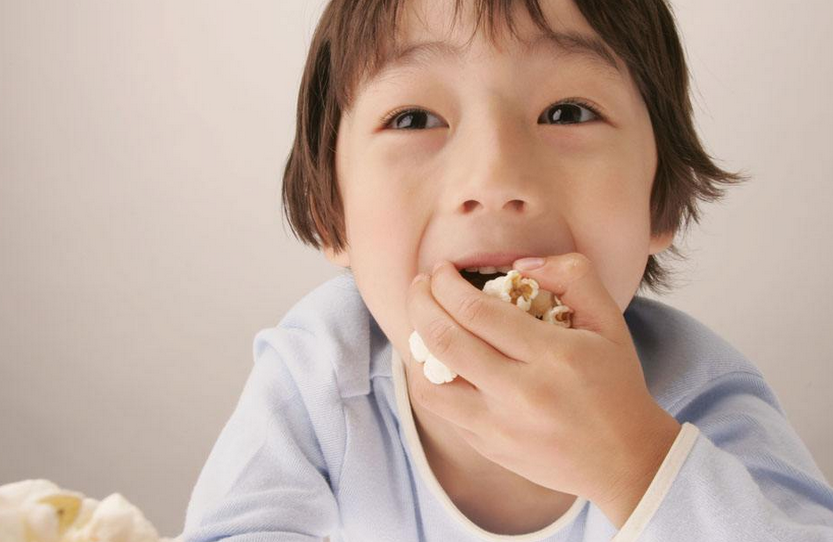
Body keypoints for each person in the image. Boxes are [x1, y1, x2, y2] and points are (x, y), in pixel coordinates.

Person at [182, 0, 833, 540]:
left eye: (567, 112)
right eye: (413, 118)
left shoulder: (698, 394)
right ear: (331, 215)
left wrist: (635, 463)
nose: (494, 180)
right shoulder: (320, 374)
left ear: (658, 201)